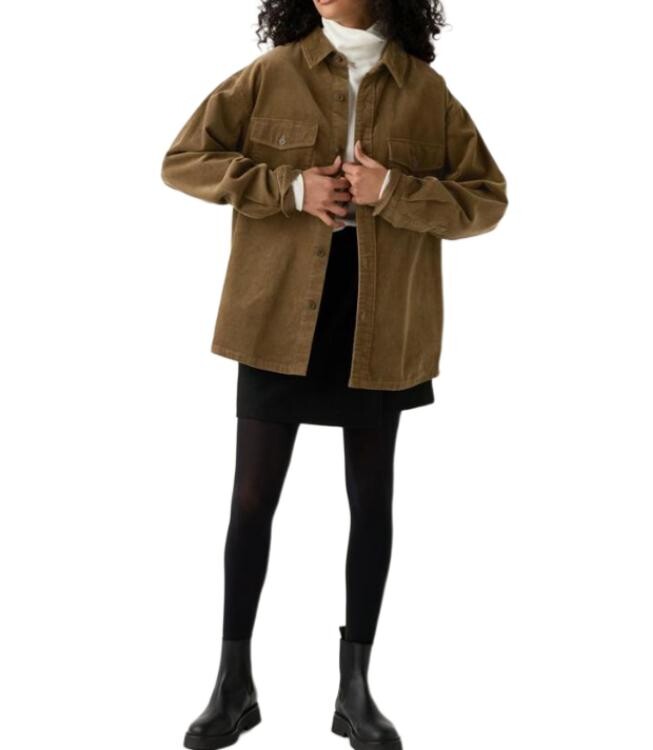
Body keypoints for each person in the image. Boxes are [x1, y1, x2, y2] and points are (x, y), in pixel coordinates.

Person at [161, 1, 508, 748]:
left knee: (370, 503)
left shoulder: (426, 93)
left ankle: (356, 692)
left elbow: (486, 201)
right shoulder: (270, 74)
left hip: (380, 323)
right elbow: (184, 160)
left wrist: (395, 192)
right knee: (251, 500)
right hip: (276, 313)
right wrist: (291, 188)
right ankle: (231, 686)